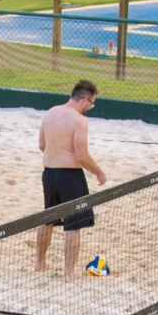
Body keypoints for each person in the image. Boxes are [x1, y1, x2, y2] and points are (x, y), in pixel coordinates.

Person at [35, 81, 107, 279]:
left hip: (49, 173)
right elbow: (81, 155)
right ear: (84, 100)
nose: (91, 108)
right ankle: (68, 273)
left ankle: (40, 263)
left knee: (47, 219)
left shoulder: (50, 112)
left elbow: (42, 145)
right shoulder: (79, 121)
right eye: (92, 104)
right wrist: (99, 172)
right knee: (74, 225)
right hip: (70, 176)